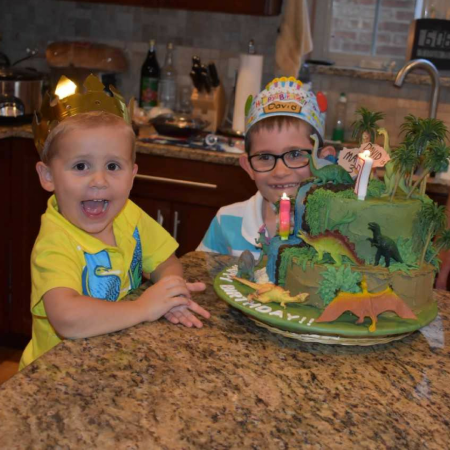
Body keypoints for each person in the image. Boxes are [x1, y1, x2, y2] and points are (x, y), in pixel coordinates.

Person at [20, 79, 209, 370]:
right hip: (57, 375)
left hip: (113, 361)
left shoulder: (127, 214)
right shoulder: (56, 242)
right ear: (48, 176)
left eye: (113, 166)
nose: (99, 181)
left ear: (132, 176)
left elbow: (165, 262)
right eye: (81, 166)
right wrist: (144, 308)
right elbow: (67, 318)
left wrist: (172, 292)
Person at [197, 77, 335, 257]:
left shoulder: (338, 227)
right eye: (265, 157)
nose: (280, 172)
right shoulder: (227, 221)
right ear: (248, 167)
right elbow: (201, 278)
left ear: (325, 160)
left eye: (295, 155)